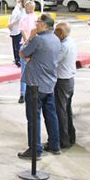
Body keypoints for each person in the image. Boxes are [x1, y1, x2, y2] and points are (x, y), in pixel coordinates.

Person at [18, 13, 61, 157]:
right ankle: (55, 144)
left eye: (37, 22)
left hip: (35, 84)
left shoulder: (38, 40)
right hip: (49, 82)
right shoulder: (55, 38)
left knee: (33, 117)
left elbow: (22, 53)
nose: (35, 25)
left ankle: (35, 148)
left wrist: (29, 38)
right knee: (50, 114)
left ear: (43, 24)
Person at [54, 21, 77, 149]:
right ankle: (70, 137)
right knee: (67, 110)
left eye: (56, 31)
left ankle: (64, 140)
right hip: (69, 80)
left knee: (60, 111)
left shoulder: (63, 46)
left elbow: (53, 60)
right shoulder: (71, 42)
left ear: (61, 33)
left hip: (62, 80)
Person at [16, 0, 38, 103]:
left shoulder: (24, 18)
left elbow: (23, 31)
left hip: (26, 45)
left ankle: (22, 94)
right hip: (36, 46)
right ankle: (33, 92)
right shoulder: (38, 18)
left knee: (24, 71)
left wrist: (27, 42)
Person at [7, 0, 27, 67]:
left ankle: (19, 60)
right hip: (14, 30)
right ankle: (16, 59)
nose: (16, 0)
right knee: (15, 46)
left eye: (18, 1)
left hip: (18, 30)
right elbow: (12, 17)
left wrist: (11, 24)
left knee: (18, 46)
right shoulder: (16, 9)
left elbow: (20, 19)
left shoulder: (23, 10)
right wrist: (10, 25)